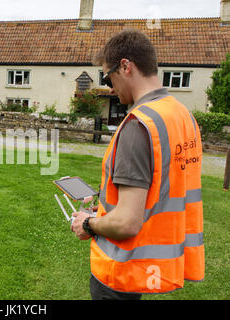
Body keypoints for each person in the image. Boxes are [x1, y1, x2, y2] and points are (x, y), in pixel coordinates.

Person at [71, 29, 205, 300]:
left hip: (119, 271)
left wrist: (88, 223)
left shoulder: (138, 125)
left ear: (125, 66)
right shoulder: (182, 115)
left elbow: (128, 222)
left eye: (108, 76)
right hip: (151, 262)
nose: (109, 87)